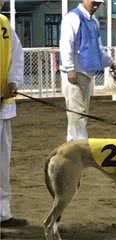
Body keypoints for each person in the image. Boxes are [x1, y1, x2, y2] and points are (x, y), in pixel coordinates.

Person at [60, 0, 115, 141]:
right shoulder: (72, 18)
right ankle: (77, 145)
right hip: (75, 73)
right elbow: (66, 44)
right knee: (76, 114)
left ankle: (79, 145)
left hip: (87, 74)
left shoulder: (94, 21)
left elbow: (98, 49)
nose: (96, 6)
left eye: (99, 4)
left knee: (82, 113)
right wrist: (69, 68)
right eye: (94, 2)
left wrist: (111, 63)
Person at [0, 0, 27, 227]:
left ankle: (3, 212)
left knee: (2, 162)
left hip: (3, 106)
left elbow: (16, 57)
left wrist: (13, 81)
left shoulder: (5, 25)